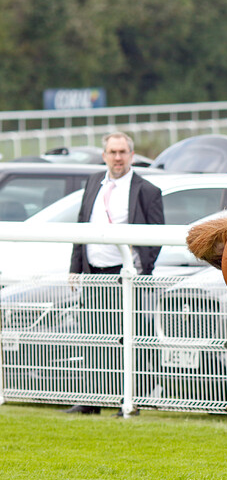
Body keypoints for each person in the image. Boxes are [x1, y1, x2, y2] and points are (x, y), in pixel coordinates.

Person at [64, 132, 164, 415]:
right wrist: (75, 268)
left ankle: (128, 400)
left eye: (122, 152)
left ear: (131, 156)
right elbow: (82, 225)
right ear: (104, 155)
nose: (117, 157)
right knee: (94, 339)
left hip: (124, 279)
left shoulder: (147, 191)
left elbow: (156, 238)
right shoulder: (93, 182)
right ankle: (92, 400)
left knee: (128, 341)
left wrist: (141, 271)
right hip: (93, 275)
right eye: (112, 152)